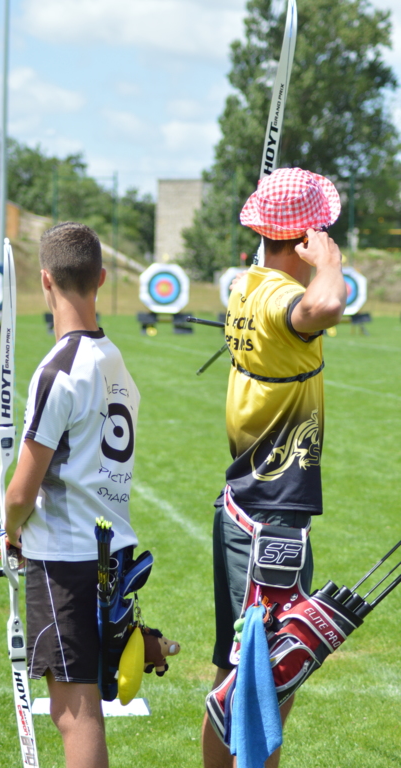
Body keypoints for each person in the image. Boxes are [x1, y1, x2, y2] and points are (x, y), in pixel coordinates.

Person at [202, 167, 347, 768]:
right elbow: (326, 303)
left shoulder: (247, 285)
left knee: (237, 671)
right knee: (270, 678)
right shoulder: (279, 299)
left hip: (252, 508)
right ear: (306, 235)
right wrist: (328, 262)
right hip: (271, 516)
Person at [5, 222, 140, 768]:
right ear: (101, 278)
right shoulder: (114, 360)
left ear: (45, 280)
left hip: (67, 559)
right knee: (83, 707)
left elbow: (22, 489)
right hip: (111, 547)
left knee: (73, 713)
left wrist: (10, 528)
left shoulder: (59, 370)